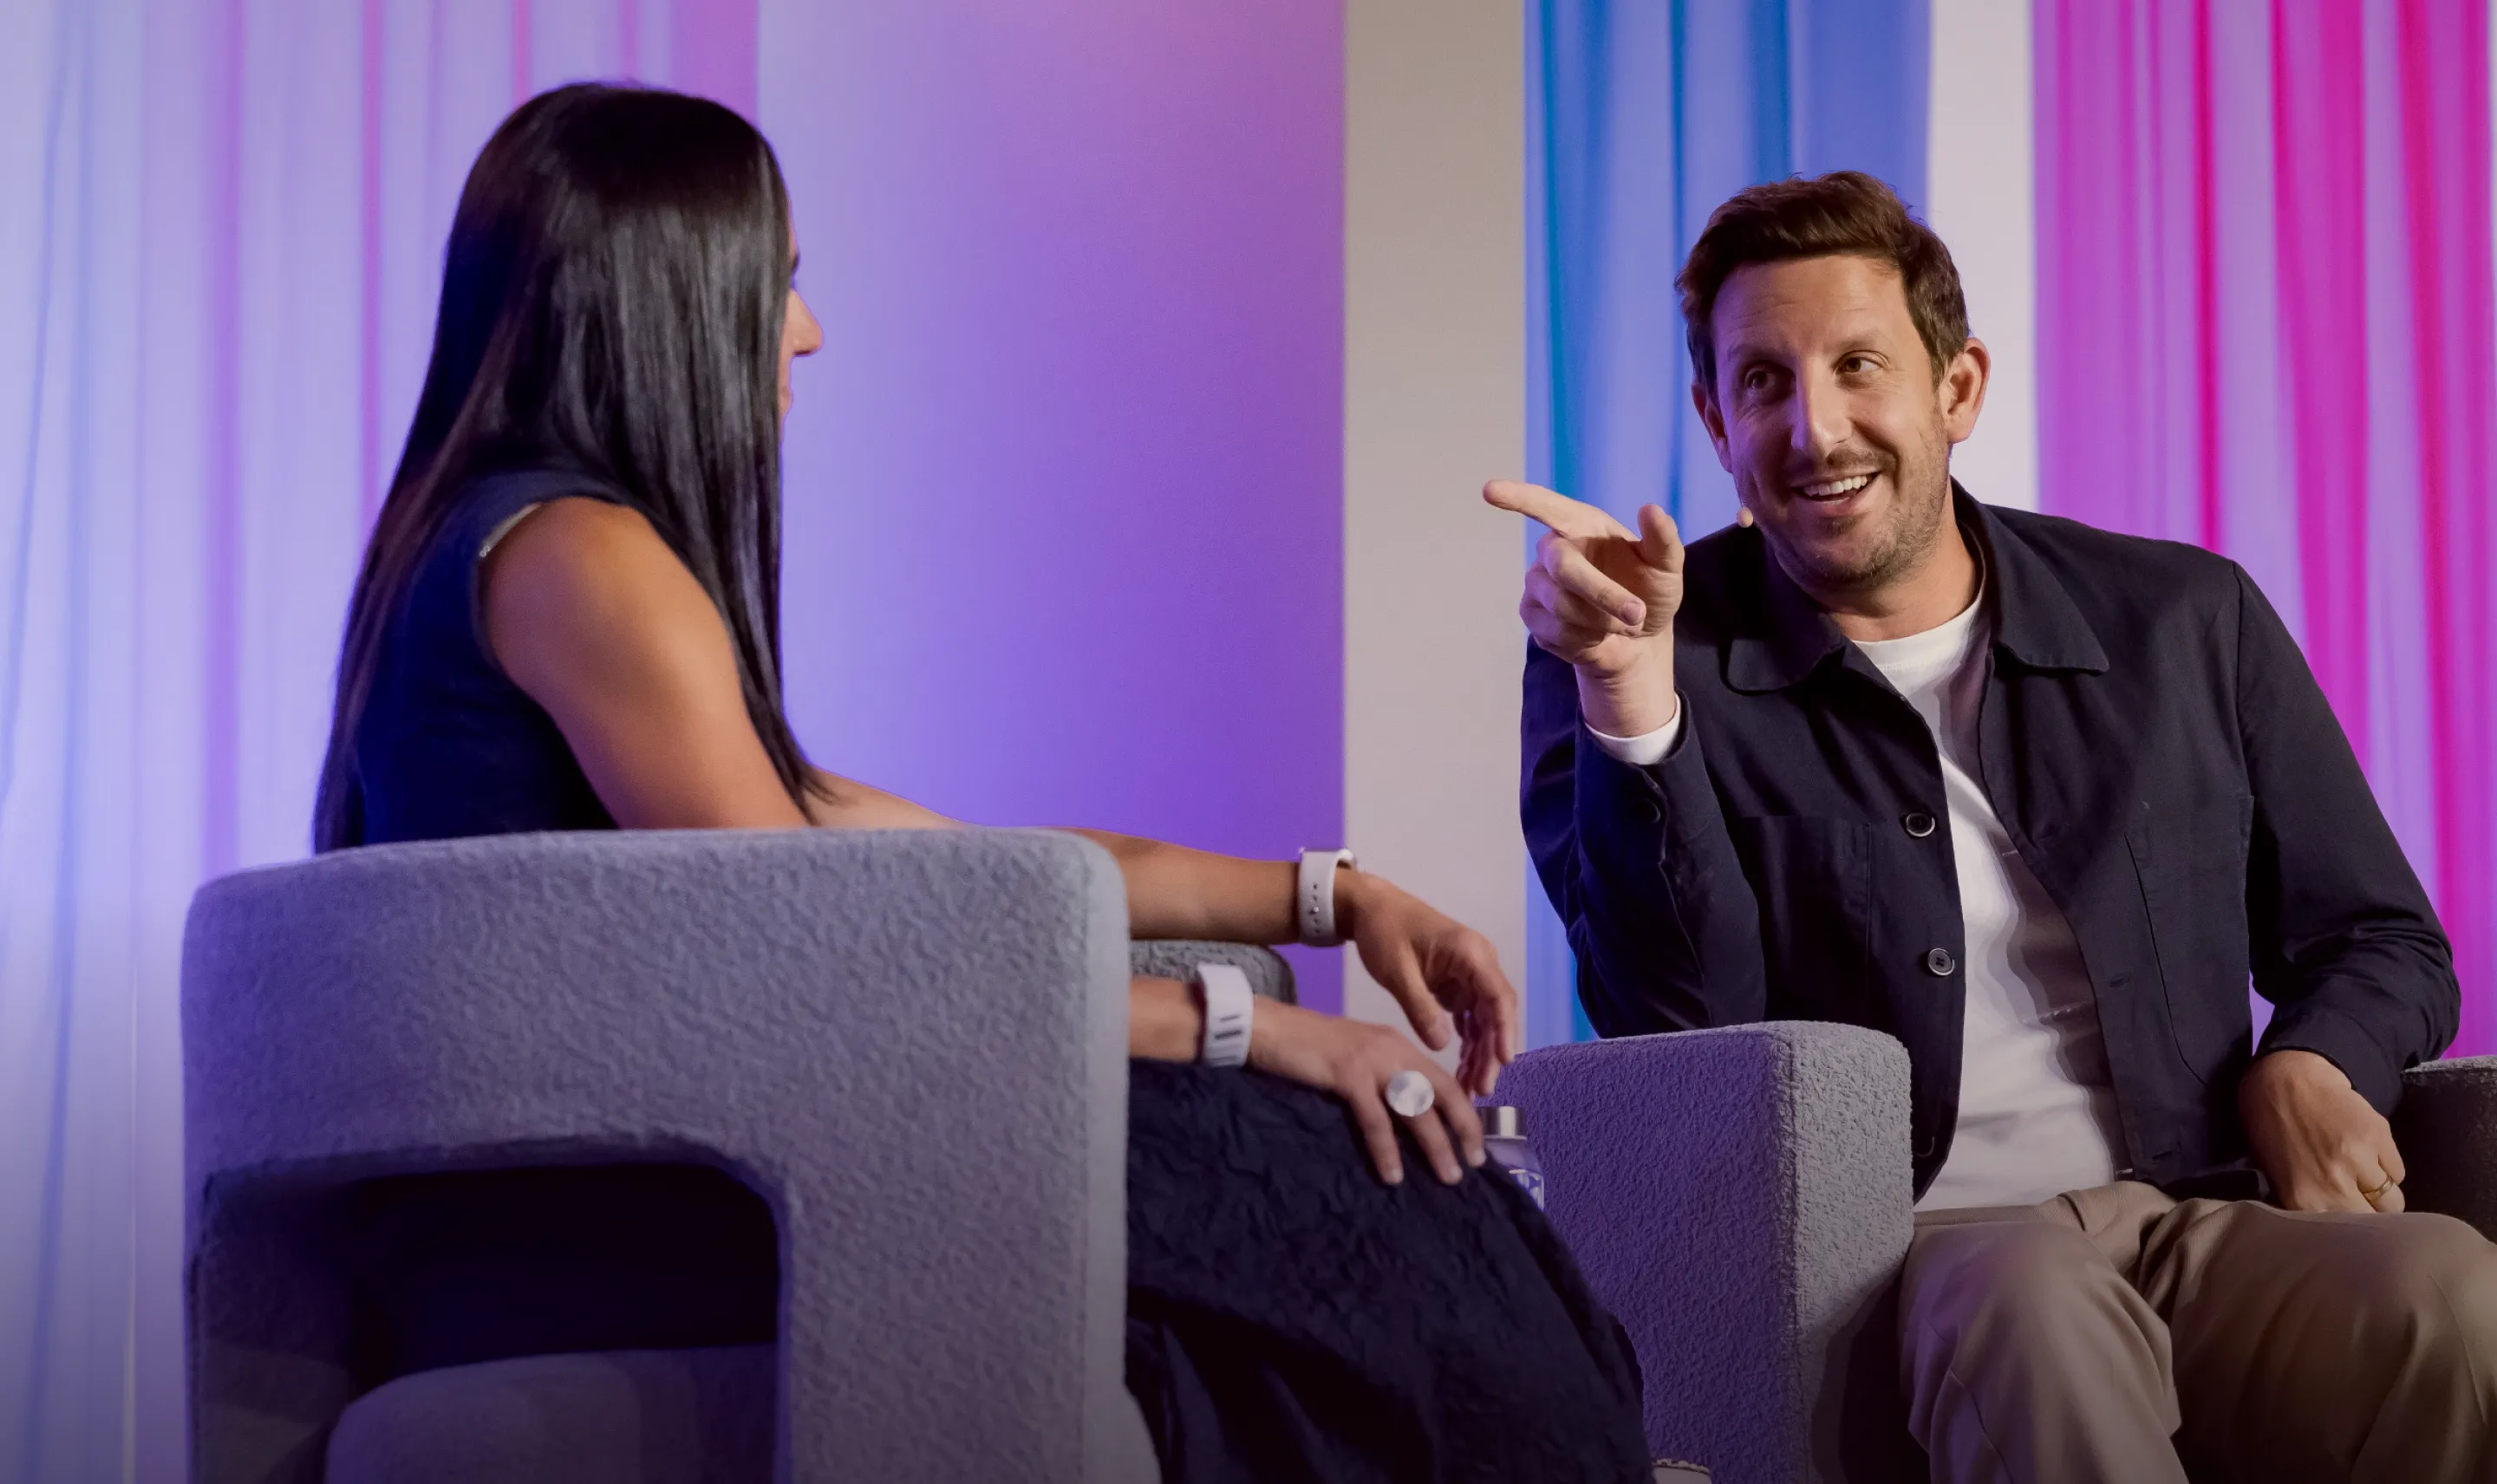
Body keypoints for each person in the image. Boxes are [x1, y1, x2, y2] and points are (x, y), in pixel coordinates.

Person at [316, 83, 1653, 1482]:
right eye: (775, 283)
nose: (807, 330)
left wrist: (1334, 898)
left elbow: (979, 876)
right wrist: (1263, 1033)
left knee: (1357, 1207)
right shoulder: (585, 560)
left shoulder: (515, 543)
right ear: (662, 303)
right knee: (1361, 1183)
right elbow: (822, 952)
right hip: (608, 1232)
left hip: (655, 1187)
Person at [1495, 170, 2497, 1483]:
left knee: (2449, 1294)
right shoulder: (1638, 651)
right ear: (1713, 420)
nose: (1815, 426)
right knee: (2031, 1311)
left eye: (1861, 365)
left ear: (1957, 388)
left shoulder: (2185, 620)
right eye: (1762, 383)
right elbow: (1678, 1032)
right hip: (1918, 1257)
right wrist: (1632, 702)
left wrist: (2309, 1062)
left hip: (2199, 1216)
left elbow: (2380, 938)